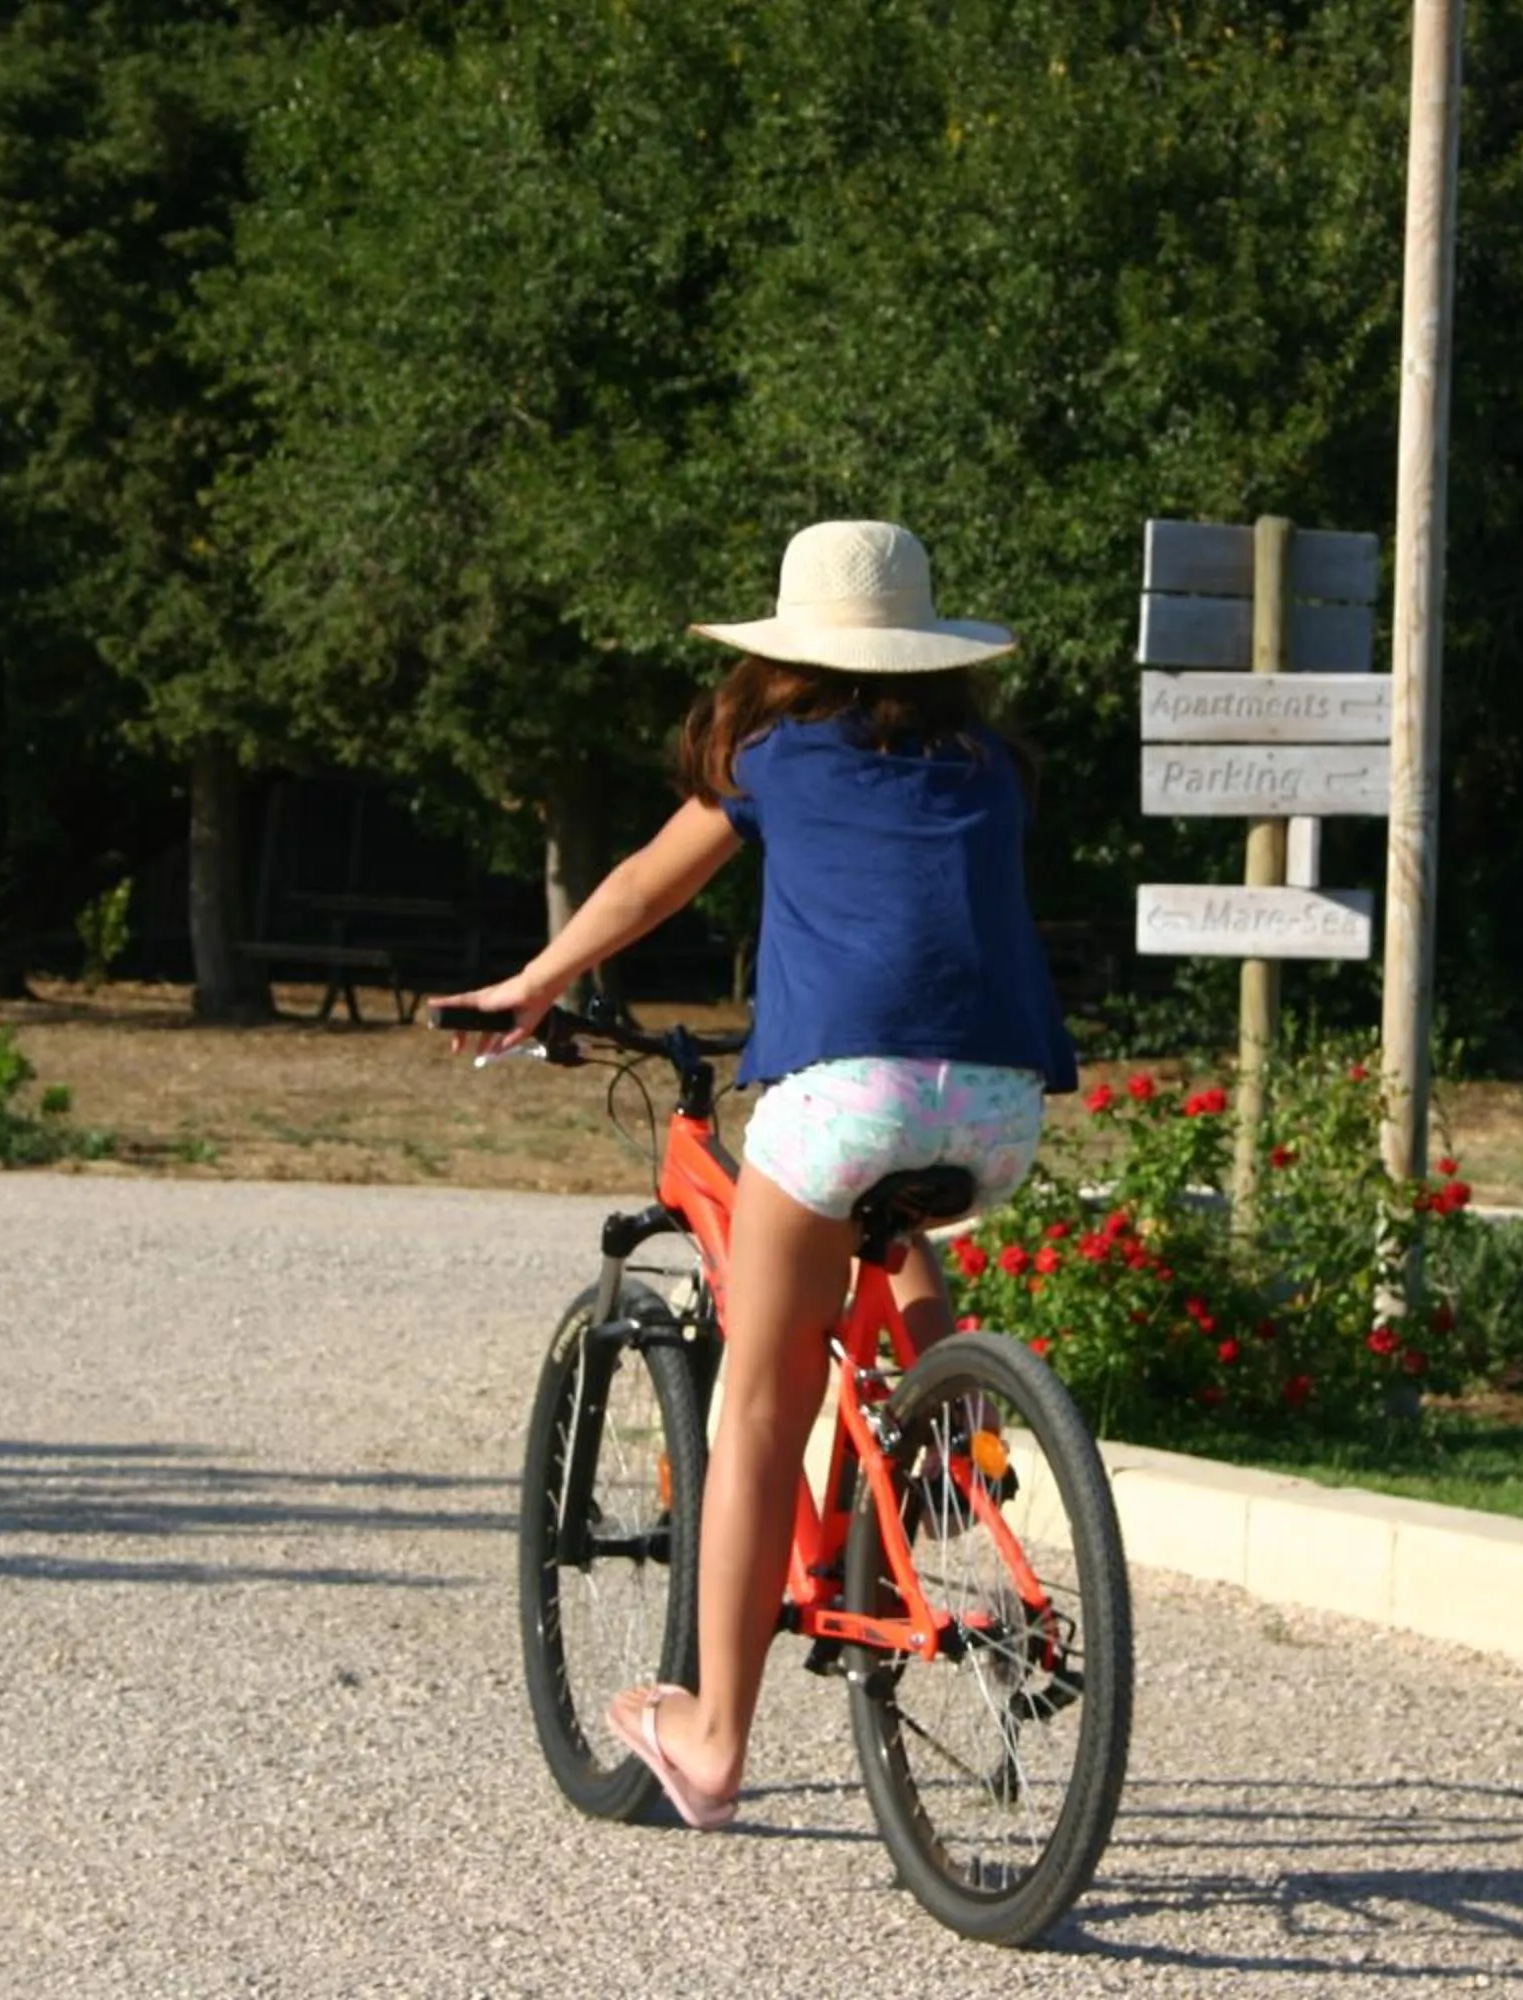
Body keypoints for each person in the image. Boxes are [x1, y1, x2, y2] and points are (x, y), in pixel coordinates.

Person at [434, 518, 1076, 1831]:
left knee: (758, 1417)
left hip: (842, 1095)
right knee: (892, 1219)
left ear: (785, 657)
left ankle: (713, 1737)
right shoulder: (991, 764)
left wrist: (530, 988)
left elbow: (644, 887)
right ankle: (949, 1439)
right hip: (1006, 1105)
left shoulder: (775, 757)